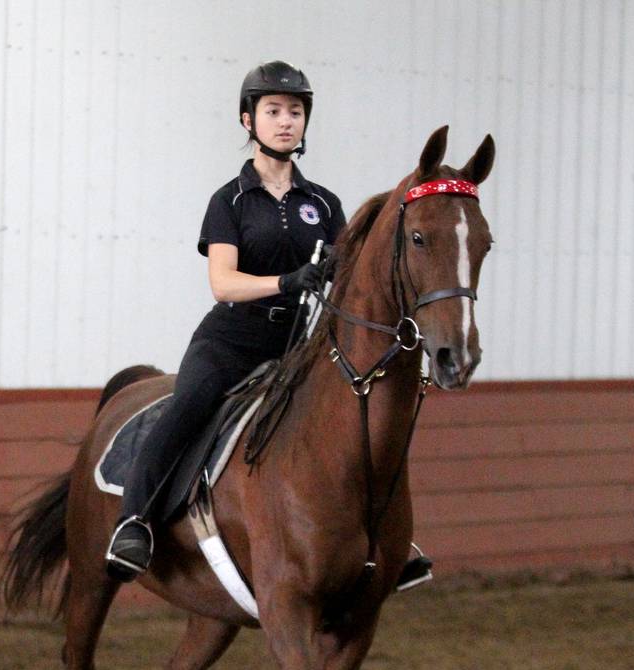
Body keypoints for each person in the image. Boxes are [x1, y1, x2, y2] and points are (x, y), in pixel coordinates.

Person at [105, 60, 433, 592]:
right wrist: (289, 280)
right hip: (231, 341)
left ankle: (386, 541)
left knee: (359, 419)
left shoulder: (323, 204)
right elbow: (223, 283)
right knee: (190, 405)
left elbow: (349, 282)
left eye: (295, 112)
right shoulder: (229, 201)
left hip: (299, 347)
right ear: (248, 120)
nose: (286, 121)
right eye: (273, 111)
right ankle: (134, 521)